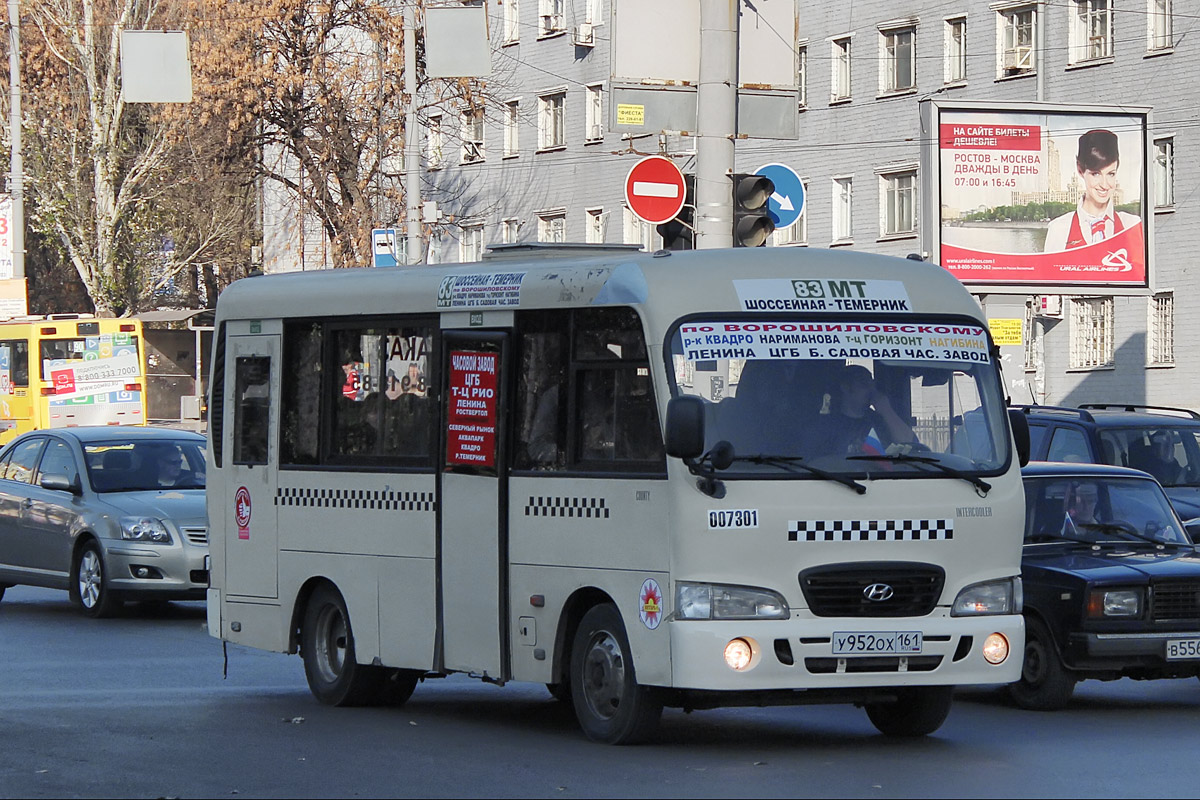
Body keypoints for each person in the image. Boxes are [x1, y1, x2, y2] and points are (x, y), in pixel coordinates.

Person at [1044, 129, 1141, 253]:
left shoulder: (1132, 225)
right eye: (1096, 174)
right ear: (1080, 170)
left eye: (1111, 174)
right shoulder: (1059, 229)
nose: (1104, 185)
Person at [810, 364, 916, 457]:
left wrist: (886, 411)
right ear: (845, 388)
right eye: (864, 384)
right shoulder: (826, 425)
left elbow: (909, 444)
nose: (871, 389)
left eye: (872, 384)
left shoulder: (881, 421)